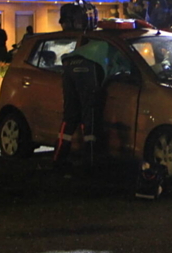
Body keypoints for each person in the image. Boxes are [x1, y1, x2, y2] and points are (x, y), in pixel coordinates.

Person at [53, 37, 131, 168]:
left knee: (70, 113)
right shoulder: (120, 47)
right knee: (90, 113)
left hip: (70, 64)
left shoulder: (98, 42)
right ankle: (90, 160)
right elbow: (127, 68)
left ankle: (59, 157)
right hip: (89, 66)